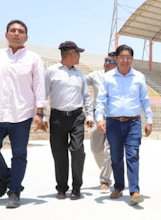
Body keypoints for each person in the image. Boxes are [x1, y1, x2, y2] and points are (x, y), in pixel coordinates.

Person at [0, 20, 47, 209]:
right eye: (13, 30)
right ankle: (5, 176)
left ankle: (14, 190)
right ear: (6, 34)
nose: (16, 33)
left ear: (26, 37)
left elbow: (39, 87)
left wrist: (40, 113)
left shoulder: (33, 58)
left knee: (19, 154)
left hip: (22, 114)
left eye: (21, 31)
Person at [95, 45, 153, 206]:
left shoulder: (139, 77)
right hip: (113, 122)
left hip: (133, 122)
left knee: (132, 155)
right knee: (116, 158)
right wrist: (99, 118)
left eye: (128, 57)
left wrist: (149, 120)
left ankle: (134, 191)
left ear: (132, 59)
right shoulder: (108, 77)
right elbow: (101, 100)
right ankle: (119, 186)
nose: (125, 60)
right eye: (122, 57)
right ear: (117, 59)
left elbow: (145, 100)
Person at [45, 41, 94, 200]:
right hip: (57, 118)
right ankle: (61, 188)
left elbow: (86, 96)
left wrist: (90, 115)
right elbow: (43, 95)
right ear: (70, 54)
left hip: (77, 117)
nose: (80, 56)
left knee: (78, 151)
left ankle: (76, 187)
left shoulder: (79, 74)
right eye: (78, 53)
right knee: (59, 154)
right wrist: (42, 116)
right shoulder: (51, 71)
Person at [85, 52, 117, 193]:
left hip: (113, 118)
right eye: (105, 60)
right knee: (96, 149)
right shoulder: (96, 75)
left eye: (110, 61)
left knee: (109, 151)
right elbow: (81, 81)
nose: (106, 63)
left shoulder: (119, 78)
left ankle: (105, 180)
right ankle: (108, 168)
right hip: (98, 117)